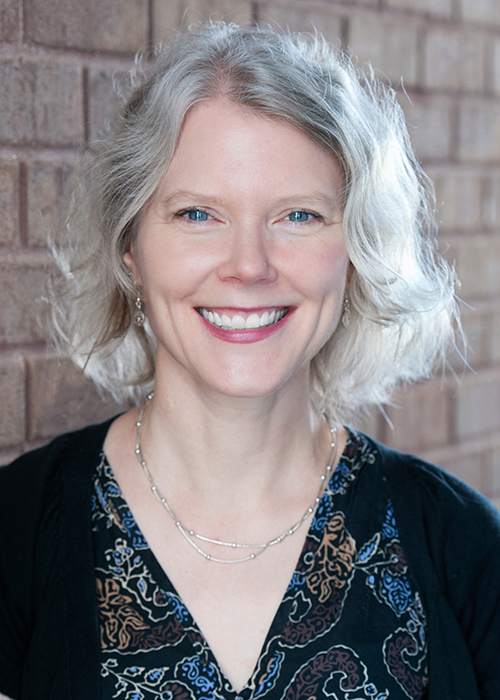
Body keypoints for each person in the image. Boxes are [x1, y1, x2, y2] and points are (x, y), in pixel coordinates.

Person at [0, 22, 499, 700]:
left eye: (298, 215)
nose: (249, 267)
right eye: (198, 214)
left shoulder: (468, 550)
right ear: (131, 249)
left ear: (355, 254)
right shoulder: (17, 534)